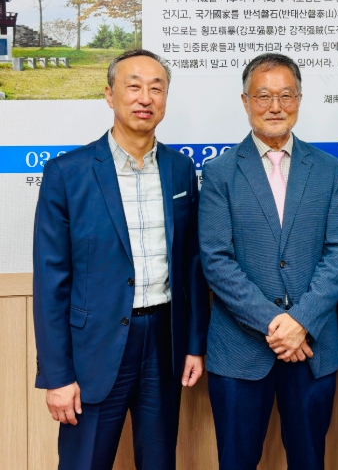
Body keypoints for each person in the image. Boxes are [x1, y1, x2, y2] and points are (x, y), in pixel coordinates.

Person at [33, 49, 210, 470]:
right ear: (110, 95)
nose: (145, 98)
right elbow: (51, 282)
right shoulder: (67, 173)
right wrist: (57, 376)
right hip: (93, 349)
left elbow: (192, 265)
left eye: (156, 88)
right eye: (133, 86)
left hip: (163, 341)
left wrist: (194, 344)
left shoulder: (180, 170)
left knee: (159, 460)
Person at [199, 53, 338, 470]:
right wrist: (276, 324)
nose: (275, 106)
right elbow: (216, 260)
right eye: (263, 96)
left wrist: (301, 322)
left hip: (311, 346)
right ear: (245, 101)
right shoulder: (220, 172)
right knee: (237, 461)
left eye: (286, 95)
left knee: (309, 460)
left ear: (299, 100)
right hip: (239, 348)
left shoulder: (327, 169)